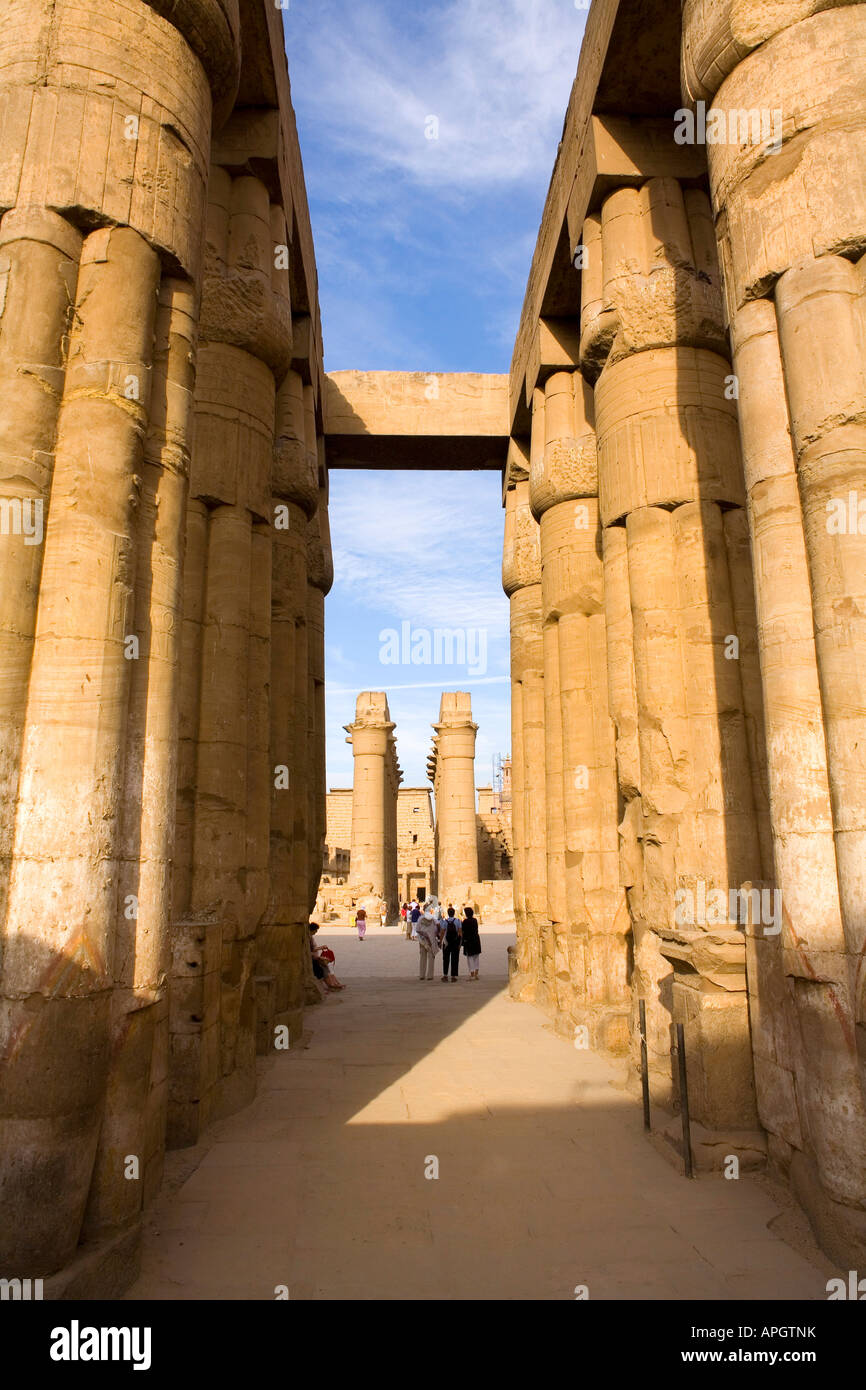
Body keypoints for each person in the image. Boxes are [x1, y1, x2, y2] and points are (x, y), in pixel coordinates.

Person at [309, 923, 345, 991]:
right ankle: (329, 985)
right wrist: (321, 949)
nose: (316, 932)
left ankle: (332, 984)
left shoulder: (310, 937)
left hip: (315, 957)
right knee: (322, 971)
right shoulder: (309, 938)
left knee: (326, 969)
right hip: (313, 958)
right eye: (315, 930)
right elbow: (311, 949)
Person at [416, 902, 440, 980]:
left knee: (423, 957)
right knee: (431, 958)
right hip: (431, 940)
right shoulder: (433, 918)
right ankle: (430, 975)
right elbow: (438, 925)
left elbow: (417, 929)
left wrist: (424, 934)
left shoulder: (420, 918)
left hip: (423, 940)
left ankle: (422, 975)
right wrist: (436, 934)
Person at [441, 905, 462, 982]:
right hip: (455, 942)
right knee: (455, 959)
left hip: (446, 943)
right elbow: (460, 933)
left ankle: (445, 975)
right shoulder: (458, 921)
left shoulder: (444, 922)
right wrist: (460, 943)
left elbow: (442, 932)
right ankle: (453, 976)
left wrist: (440, 942)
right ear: (454, 913)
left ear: (448, 913)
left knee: (446, 959)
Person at [461, 906, 481, 980]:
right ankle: (476, 973)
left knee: (470, 957)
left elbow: (463, 931)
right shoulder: (475, 920)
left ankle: (472, 973)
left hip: (468, 940)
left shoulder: (465, 921)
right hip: (476, 939)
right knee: (476, 957)